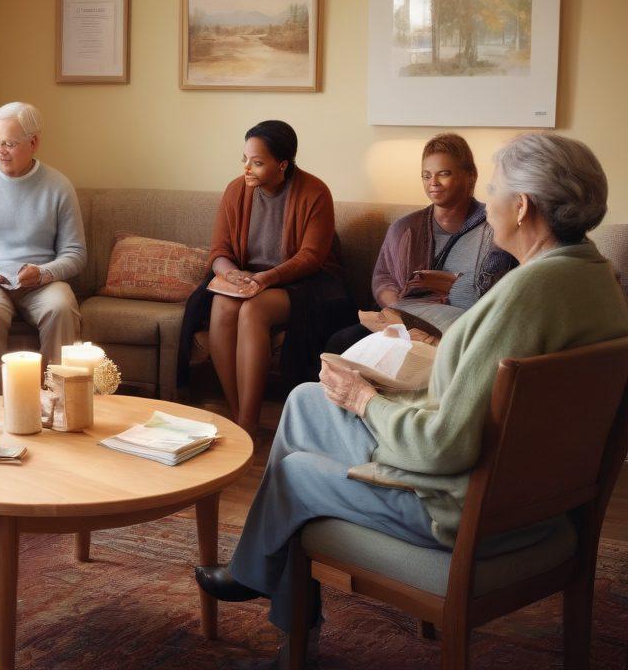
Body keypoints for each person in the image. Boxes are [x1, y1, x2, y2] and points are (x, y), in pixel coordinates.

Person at [195, 133, 628, 668]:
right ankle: (259, 579)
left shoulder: (523, 296)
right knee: (306, 400)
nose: (487, 199)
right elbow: (485, 398)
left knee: (294, 473)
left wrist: (365, 400)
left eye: (493, 186)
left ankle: (281, 611)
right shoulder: (594, 279)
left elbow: (444, 447)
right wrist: (390, 393)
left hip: (461, 510)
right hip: (542, 505)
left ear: (522, 206)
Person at [177, 120, 352, 436]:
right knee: (222, 305)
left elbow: (311, 257)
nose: (247, 168)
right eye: (244, 159)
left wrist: (266, 279)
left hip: (303, 281)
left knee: (253, 310)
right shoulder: (235, 191)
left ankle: (248, 421)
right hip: (247, 279)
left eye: (257, 163)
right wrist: (231, 276)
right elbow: (219, 250)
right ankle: (239, 417)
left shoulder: (315, 192)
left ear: (282, 164)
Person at [325, 133, 516, 354]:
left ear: (470, 176)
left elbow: (501, 291)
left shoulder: (494, 226)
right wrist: (402, 312)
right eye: (426, 176)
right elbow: (383, 278)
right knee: (341, 342)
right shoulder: (405, 228)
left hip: (460, 329)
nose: (433, 183)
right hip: (405, 323)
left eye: (443, 174)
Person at [0, 102, 86, 394]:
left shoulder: (58, 186)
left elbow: (75, 253)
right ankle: (1, 404)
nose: (0, 150)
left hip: (41, 282)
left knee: (61, 307)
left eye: (9, 143)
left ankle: (54, 402)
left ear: (34, 142)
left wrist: (44, 273)